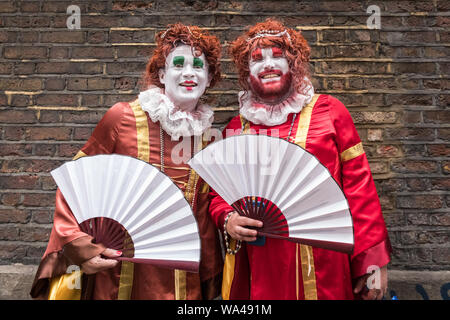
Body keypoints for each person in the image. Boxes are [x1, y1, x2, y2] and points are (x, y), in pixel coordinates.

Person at [30, 23, 224, 300]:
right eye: (178, 64)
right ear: (162, 74)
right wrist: (81, 247)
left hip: (182, 277)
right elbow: (75, 186)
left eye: (199, 66)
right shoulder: (122, 117)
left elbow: (203, 215)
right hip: (119, 270)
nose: (189, 73)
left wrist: (210, 275)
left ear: (209, 78)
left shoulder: (208, 137)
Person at [209, 19, 392, 300]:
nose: (268, 65)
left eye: (277, 56)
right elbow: (219, 193)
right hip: (262, 264)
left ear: (293, 63)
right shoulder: (237, 127)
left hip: (324, 264)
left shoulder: (330, 111)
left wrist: (371, 262)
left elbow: (360, 190)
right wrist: (228, 218)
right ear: (248, 71)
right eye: (257, 59)